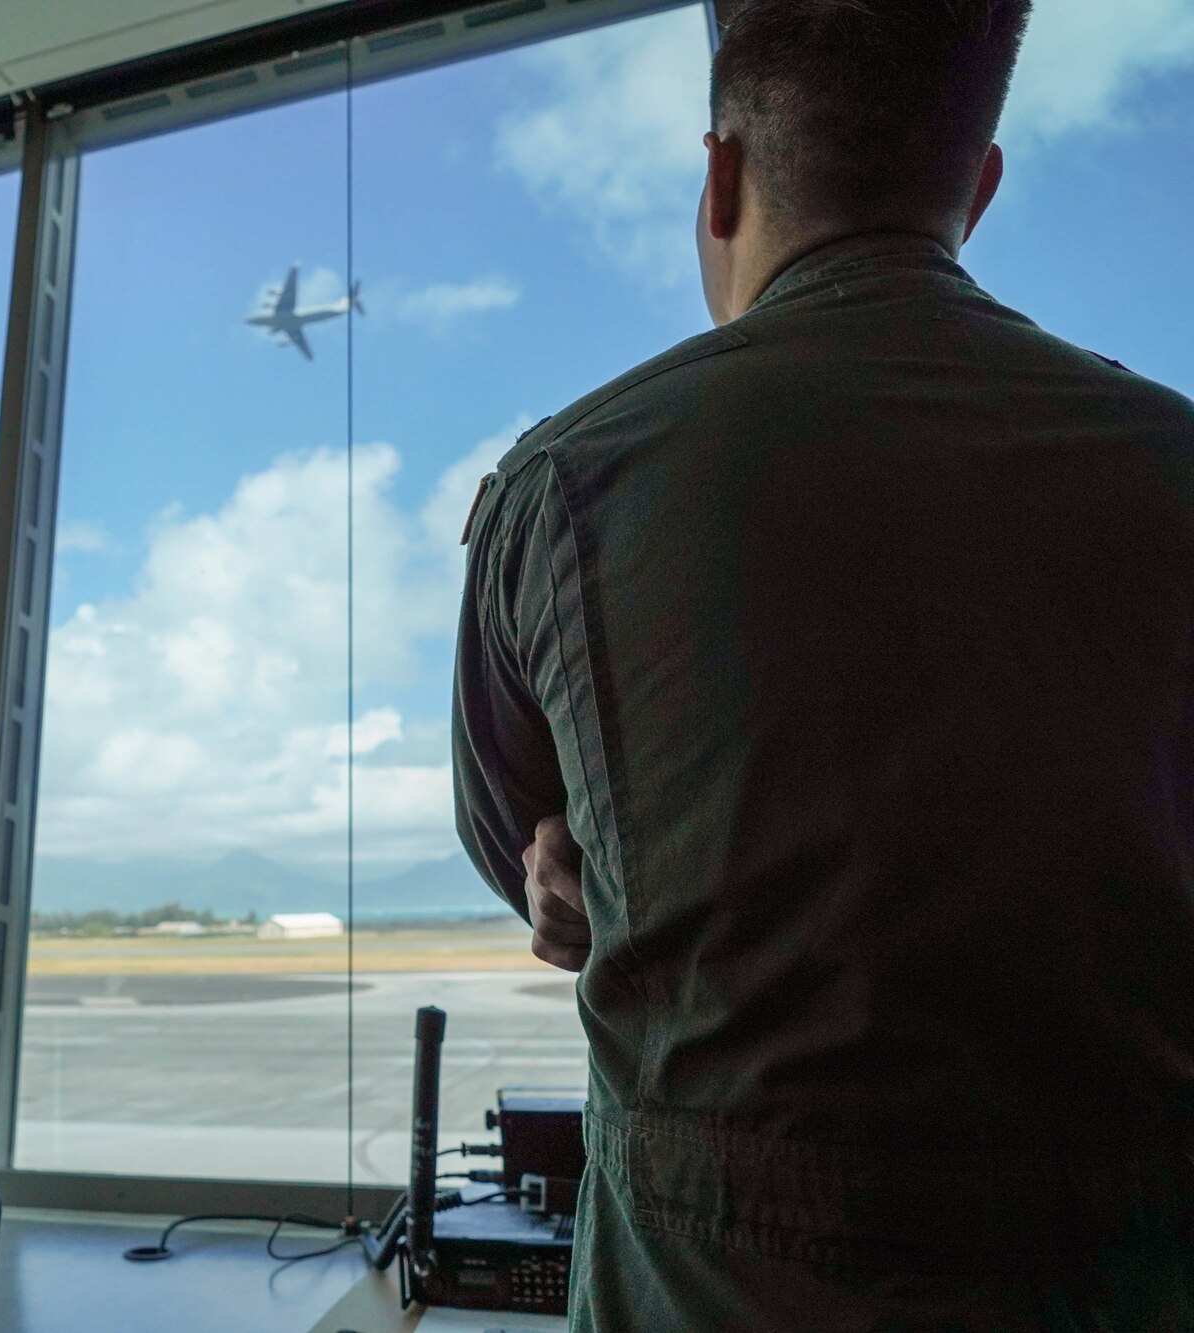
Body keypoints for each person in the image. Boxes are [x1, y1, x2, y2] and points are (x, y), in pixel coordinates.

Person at [453, 1, 1194, 1328]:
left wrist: (571, 848)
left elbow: (519, 845)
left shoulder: (566, 481)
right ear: (979, 186)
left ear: (722, 177)